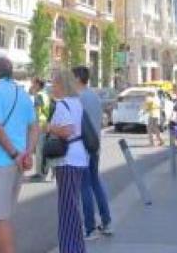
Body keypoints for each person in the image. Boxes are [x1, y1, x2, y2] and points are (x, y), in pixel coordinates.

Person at [0, 57, 38, 253]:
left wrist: (14, 154)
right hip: (19, 162)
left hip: (2, 161)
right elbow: (34, 127)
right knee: (4, 214)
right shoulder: (23, 94)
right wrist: (27, 153)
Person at [46, 69, 89, 252]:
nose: (52, 87)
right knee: (72, 205)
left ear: (61, 85)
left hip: (67, 160)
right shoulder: (77, 103)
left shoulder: (63, 105)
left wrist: (49, 128)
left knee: (67, 209)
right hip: (79, 158)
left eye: (54, 84)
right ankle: (76, 247)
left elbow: (67, 130)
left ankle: (69, 248)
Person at [72, 66, 113, 240]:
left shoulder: (78, 99)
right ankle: (107, 222)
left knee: (85, 187)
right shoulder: (94, 97)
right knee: (96, 183)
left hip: (82, 149)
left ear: (77, 79)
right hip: (95, 147)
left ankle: (89, 228)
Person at [28, 79, 52, 182]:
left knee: (40, 151)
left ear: (38, 84)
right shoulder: (45, 94)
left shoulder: (39, 96)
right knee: (42, 150)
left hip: (40, 125)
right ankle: (44, 172)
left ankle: (40, 174)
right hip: (45, 124)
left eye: (33, 84)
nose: (32, 86)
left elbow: (37, 112)